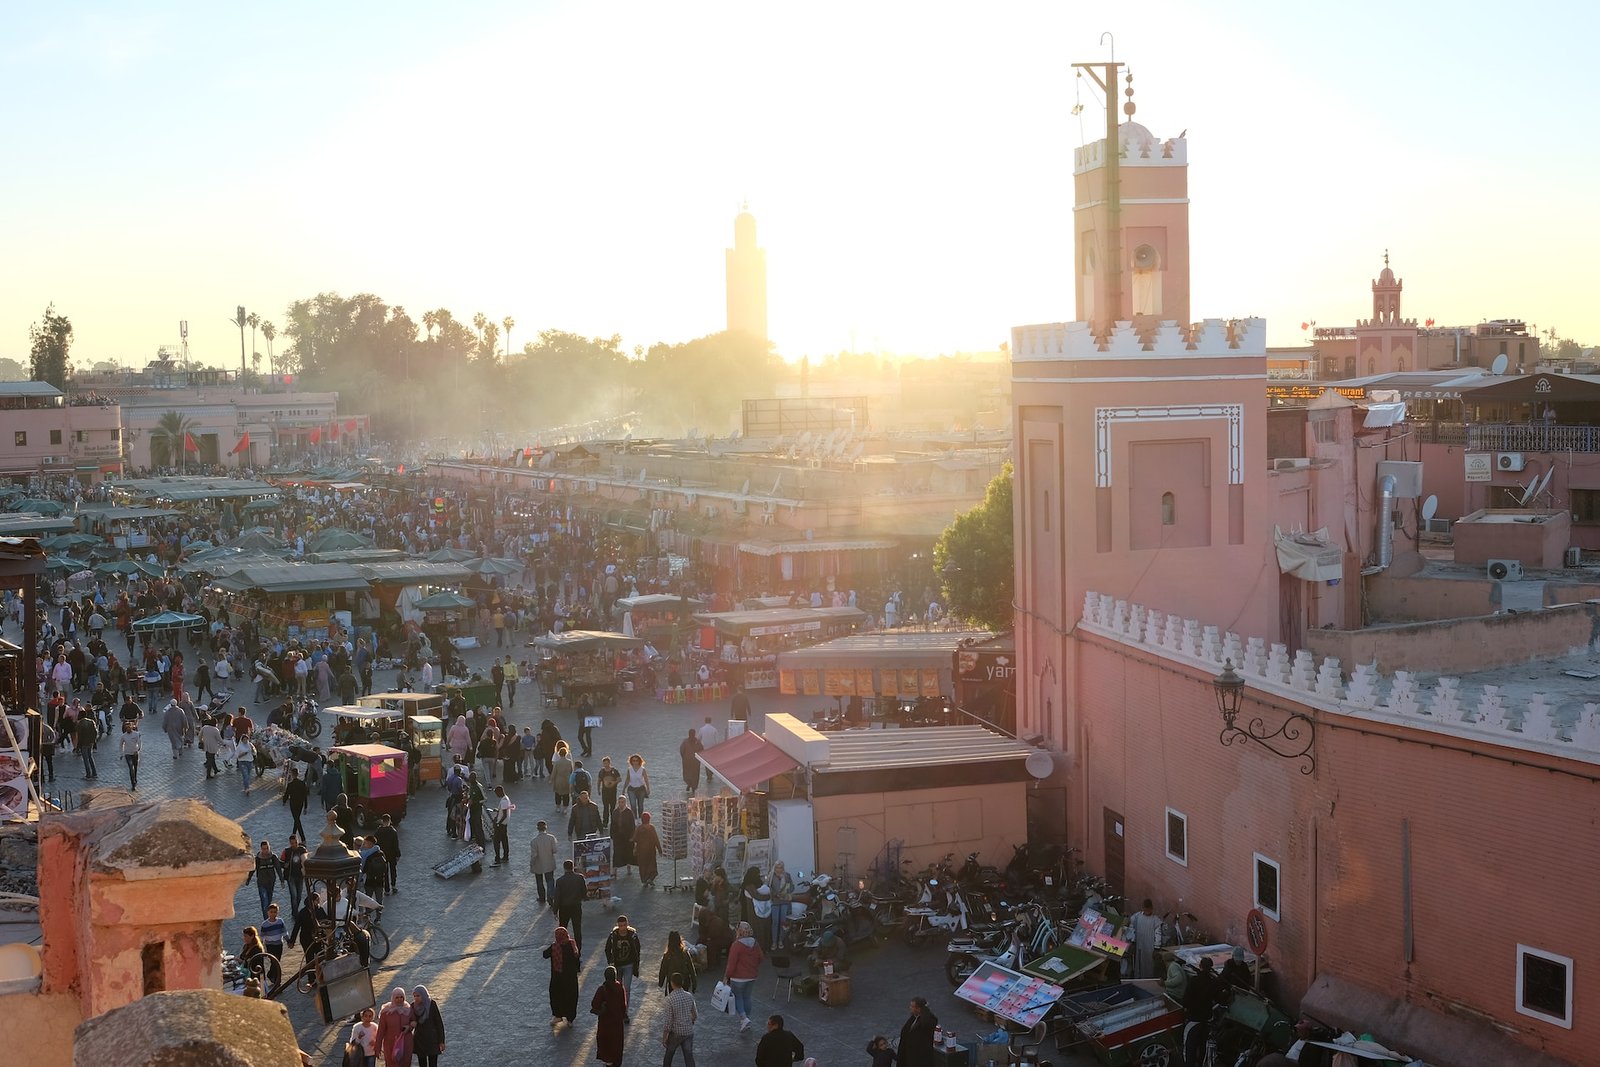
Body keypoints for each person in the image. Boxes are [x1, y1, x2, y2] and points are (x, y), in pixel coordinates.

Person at [1183, 956, 1227, 1067]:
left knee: (1190, 1048)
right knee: (1203, 1047)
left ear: (1200, 966)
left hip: (1193, 1020)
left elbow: (1186, 1000)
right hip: (1206, 1020)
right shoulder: (1213, 982)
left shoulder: (1194, 981)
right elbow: (1219, 999)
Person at [724, 920, 764, 1033]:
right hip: (751, 976)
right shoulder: (755, 943)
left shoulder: (736, 945)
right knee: (747, 997)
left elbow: (731, 964)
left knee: (738, 997)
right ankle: (746, 1020)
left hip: (738, 978)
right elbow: (761, 957)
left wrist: (727, 976)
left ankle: (744, 1018)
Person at [590, 965, 629, 1067]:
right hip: (617, 1023)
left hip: (605, 1023)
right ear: (615, 976)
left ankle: (608, 1063)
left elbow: (594, 1004)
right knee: (616, 1044)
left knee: (606, 1045)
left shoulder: (602, 989)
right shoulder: (620, 987)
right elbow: (623, 1005)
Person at [544, 925, 581, 1027]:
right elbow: (577, 958)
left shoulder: (554, 947)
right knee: (571, 997)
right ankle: (570, 1019)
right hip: (570, 978)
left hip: (557, 977)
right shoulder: (572, 944)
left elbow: (544, 955)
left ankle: (558, 1015)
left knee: (556, 996)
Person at [662, 970, 698, 1067]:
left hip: (676, 1033)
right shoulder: (689, 996)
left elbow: (668, 1022)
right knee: (689, 1056)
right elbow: (695, 1015)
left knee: (669, 1056)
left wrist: (665, 1036)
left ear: (672, 983)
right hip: (688, 1031)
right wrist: (691, 1021)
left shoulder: (670, 999)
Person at [554, 858, 588, 952]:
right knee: (577, 929)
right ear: (573, 867)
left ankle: (563, 949)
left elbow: (557, 897)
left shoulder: (560, 881)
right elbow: (584, 891)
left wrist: (555, 910)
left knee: (563, 928)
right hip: (576, 906)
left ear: (564, 868)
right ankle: (578, 949)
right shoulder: (579, 878)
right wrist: (582, 897)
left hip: (564, 908)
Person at [375, 986, 413, 1067]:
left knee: (405, 1063)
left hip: (406, 1043)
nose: (399, 999)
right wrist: (377, 1047)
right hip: (390, 1043)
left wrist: (409, 1027)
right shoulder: (386, 1012)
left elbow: (414, 1021)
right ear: (393, 998)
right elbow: (381, 1031)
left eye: (401, 997)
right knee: (392, 1063)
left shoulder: (408, 1009)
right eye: (397, 997)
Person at [411, 986, 445, 1067]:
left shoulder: (432, 1005)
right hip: (420, 1040)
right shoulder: (413, 1006)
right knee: (422, 1064)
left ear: (423, 995)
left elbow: (438, 1023)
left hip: (432, 1039)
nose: (416, 998)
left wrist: (441, 1041)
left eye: (418, 996)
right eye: (414, 996)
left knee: (433, 1063)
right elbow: (409, 1020)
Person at [898, 997, 938, 1067]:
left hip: (920, 1058)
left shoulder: (929, 1020)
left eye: (912, 1006)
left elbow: (927, 1024)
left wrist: (925, 1010)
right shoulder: (914, 1017)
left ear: (919, 1009)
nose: (910, 1008)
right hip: (909, 1055)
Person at [245, 839, 280, 917]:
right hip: (261, 883)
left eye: (267, 848)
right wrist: (248, 879)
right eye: (263, 849)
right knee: (264, 902)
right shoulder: (258, 859)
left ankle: (269, 917)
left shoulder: (273, 857)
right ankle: (266, 920)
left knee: (269, 902)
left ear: (269, 848)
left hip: (271, 883)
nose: (265, 850)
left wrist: (281, 880)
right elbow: (252, 870)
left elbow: (278, 868)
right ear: (261, 849)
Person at [605, 913, 643, 984]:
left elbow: (637, 949)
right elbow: (607, 949)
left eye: (624, 925)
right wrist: (610, 961)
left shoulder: (632, 935)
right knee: (618, 986)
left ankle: (626, 995)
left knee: (627, 987)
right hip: (617, 964)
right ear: (618, 925)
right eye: (620, 926)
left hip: (629, 964)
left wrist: (636, 962)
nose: (622, 928)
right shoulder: (613, 935)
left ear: (627, 924)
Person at [658, 930, 698, 994]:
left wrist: (661, 983)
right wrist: (694, 984)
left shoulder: (667, 955)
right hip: (685, 981)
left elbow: (663, 970)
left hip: (672, 983)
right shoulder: (685, 953)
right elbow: (691, 969)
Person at [529, 819, 558, 904]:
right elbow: (555, 850)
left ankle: (542, 897)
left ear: (537, 828)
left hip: (539, 865)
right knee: (550, 881)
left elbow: (534, 855)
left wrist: (531, 864)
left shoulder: (534, 841)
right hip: (549, 863)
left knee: (539, 882)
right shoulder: (551, 838)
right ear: (546, 827)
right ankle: (550, 897)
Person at [768, 861, 794, 950]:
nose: (779, 870)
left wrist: (787, 891)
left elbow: (792, 887)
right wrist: (775, 894)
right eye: (777, 867)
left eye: (781, 867)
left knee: (783, 922)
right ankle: (774, 942)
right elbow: (768, 888)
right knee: (775, 922)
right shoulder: (771, 876)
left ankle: (781, 940)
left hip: (785, 901)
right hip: (775, 901)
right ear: (774, 868)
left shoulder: (787, 875)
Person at [373, 814, 401, 894]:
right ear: (389, 821)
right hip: (392, 854)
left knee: (384, 872)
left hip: (382, 854)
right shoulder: (393, 832)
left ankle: (387, 889)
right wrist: (398, 854)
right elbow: (396, 844)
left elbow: (376, 844)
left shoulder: (378, 831)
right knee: (393, 870)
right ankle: (394, 886)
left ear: (382, 821)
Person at [281, 835, 308, 917]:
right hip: (291, 876)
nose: (294, 845)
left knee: (299, 896)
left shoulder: (302, 850)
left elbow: (307, 860)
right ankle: (295, 913)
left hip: (300, 876)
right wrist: (285, 865)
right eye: (292, 843)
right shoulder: (286, 851)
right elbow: (280, 861)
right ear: (290, 843)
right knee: (294, 895)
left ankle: (295, 910)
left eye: (295, 842)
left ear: (298, 841)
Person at [612, 795, 637, 878]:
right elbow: (612, 824)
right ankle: (614, 870)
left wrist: (632, 837)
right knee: (616, 853)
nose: (621, 804)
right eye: (619, 802)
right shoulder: (615, 812)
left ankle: (628, 867)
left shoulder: (629, 812)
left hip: (627, 836)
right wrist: (612, 835)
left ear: (625, 802)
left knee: (628, 852)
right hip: (618, 836)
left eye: (622, 802)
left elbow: (633, 826)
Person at [634, 810, 661, 889]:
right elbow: (656, 839)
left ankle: (645, 880)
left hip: (641, 851)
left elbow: (635, 839)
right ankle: (651, 878)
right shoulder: (651, 827)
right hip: (651, 850)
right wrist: (659, 849)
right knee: (652, 864)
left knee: (643, 866)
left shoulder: (639, 828)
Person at [282, 768, 309, 841]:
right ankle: (293, 834)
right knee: (297, 819)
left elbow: (286, 794)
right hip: (300, 804)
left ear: (292, 774)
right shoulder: (302, 783)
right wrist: (305, 806)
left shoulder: (290, 784)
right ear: (298, 774)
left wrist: (284, 801)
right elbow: (305, 795)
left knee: (297, 820)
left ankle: (302, 838)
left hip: (293, 804)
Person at [490, 784, 512, 865]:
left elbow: (505, 815)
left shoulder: (504, 801)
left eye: (496, 793)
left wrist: (498, 823)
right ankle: (505, 856)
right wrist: (498, 810)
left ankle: (497, 858)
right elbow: (503, 811)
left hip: (501, 825)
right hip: (503, 824)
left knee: (497, 841)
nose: (496, 795)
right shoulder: (506, 799)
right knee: (504, 840)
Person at [597, 756, 622, 828]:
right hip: (605, 791)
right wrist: (598, 789)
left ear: (609, 763)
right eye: (604, 763)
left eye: (607, 763)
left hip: (613, 791)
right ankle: (605, 822)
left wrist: (613, 782)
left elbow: (619, 779)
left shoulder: (614, 771)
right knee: (605, 807)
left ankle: (614, 822)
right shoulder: (602, 772)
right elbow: (599, 781)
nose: (605, 765)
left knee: (612, 807)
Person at [696, 717, 719, 788]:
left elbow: (698, 739)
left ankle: (708, 775)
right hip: (712, 748)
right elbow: (717, 740)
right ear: (711, 721)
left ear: (705, 721)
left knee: (706, 762)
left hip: (705, 748)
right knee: (712, 762)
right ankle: (711, 774)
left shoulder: (701, 729)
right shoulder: (714, 729)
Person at [679, 728, 702, 797]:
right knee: (695, 775)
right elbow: (702, 750)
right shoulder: (698, 742)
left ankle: (689, 784)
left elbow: (682, 750)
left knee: (688, 774)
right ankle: (693, 787)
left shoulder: (685, 742)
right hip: (695, 762)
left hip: (687, 761)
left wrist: (684, 758)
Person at [75, 712, 99, 779]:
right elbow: (95, 732)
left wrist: (78, 746)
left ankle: (88, 774)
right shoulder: (91, 722)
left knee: (85, 759)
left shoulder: (80, 724)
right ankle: (94, 773)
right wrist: (93, 741)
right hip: (90, 742)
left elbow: (79, 737)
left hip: (84, 743)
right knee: (90, 757)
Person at [120, 719, 141, 789]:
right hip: (127, 754)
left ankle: (135, 778)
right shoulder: (123, 736)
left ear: (132, 727)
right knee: (130, 767)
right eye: (127, 728)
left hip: (135, 753)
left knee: (135, 768)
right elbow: (121, 745)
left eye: (129, 727)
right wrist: (121, 754)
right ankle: (133, 783)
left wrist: (138, 750)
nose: (128, 729)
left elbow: (139, 743)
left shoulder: (136, 734)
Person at [552, 741, 574, 809]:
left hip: (558, 779)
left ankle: (558, 806)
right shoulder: (569, 762)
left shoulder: (557, 763)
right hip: (567, 779)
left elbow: (554, 772)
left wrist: (552, 779)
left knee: (558, 794)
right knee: (566, 794)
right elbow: (571, 770)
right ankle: (565, 808)